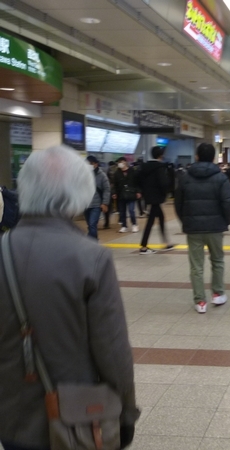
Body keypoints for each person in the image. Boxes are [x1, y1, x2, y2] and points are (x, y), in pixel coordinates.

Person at [0, 145, 139, 450]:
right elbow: (113, 351)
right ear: (80, 193)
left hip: (11, 417)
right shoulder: (91, 258)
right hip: (76, 419)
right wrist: (126, 413)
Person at [175, 143, 230, 314]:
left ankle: (200, 302)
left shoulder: (185, 177)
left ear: (197, 156)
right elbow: (228, 201)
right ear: (214, 158)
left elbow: (178, 204)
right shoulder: (221, 178)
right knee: (217, 261)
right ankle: (217, 294)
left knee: (196, 266)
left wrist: (185, 221)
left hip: (193, 229)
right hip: (216, 228)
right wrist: (225, 221)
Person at [137, 146, 173, 254]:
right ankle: (143, 246)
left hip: (149, 197)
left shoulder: (144, 167)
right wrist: (166, 192)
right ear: (161, 155)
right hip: (157, 198)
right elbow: (163, 183)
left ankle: (166, 242)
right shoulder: (160, 167)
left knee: (161, 218)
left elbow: (138, 180)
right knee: (151, 221)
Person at [84, 155, 110, 240]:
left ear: (96, 164)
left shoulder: (102, 175)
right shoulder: (83, 175)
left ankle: (93, 244)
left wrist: (105, 203)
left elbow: (107, 189)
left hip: (96, 205)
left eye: (91, 163)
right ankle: (93, 240)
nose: (89, 165)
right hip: (86, 204)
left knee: (92, 224)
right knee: (90, 225)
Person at [112, 157, 141, 233]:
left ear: (125, 162)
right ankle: (124, 226)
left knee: (131, 210)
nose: (119, 164)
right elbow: (114, 184)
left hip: (131, 194)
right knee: (122, 211)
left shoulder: (132, 171)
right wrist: (114, 193)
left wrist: (138, 192)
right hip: (121, 194)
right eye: (118, 162)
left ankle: (134, 224)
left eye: (120, 162)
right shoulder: (117, 173)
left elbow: (137, 182)